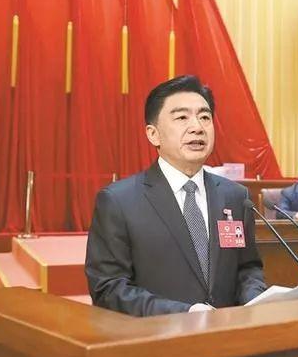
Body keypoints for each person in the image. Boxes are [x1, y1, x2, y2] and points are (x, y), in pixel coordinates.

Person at [85, 75, 266, 316]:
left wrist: (256, 299)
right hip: (159, 336)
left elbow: (247, 268)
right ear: (153, 134)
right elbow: (108, 289)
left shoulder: (235, 196)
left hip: (227, 333)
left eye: (205, 117)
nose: (197, 127)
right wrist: (185, 313)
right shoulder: (118, 202)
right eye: (182, 118)